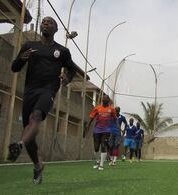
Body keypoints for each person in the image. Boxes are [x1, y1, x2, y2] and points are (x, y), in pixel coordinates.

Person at [7, 16, 76, 184]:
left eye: (49, 22)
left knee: (36, 117)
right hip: (30, 92)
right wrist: (22, 58)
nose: (45, 23)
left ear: (56, 29)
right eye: (44, 22)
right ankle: (38, 166)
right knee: (29, 133)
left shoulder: (62, 51)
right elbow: (15, 68)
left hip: (48, 90)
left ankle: (19, 145)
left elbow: (72, 69)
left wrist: (67, 79)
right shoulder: (29, 46)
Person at [86, 95, 117, 171]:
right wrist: (88, 125)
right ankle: (97, 162)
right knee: (96, 147)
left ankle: (102, 165)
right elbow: (92, 118)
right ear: (102, 100)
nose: (104, 100)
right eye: (103, 98)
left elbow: (115, 118)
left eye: (106, 99)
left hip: (106, 131)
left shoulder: (112, 109)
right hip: (97, 130)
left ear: (108, 101)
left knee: (103, 145)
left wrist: (113, 128)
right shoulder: (97, 108)